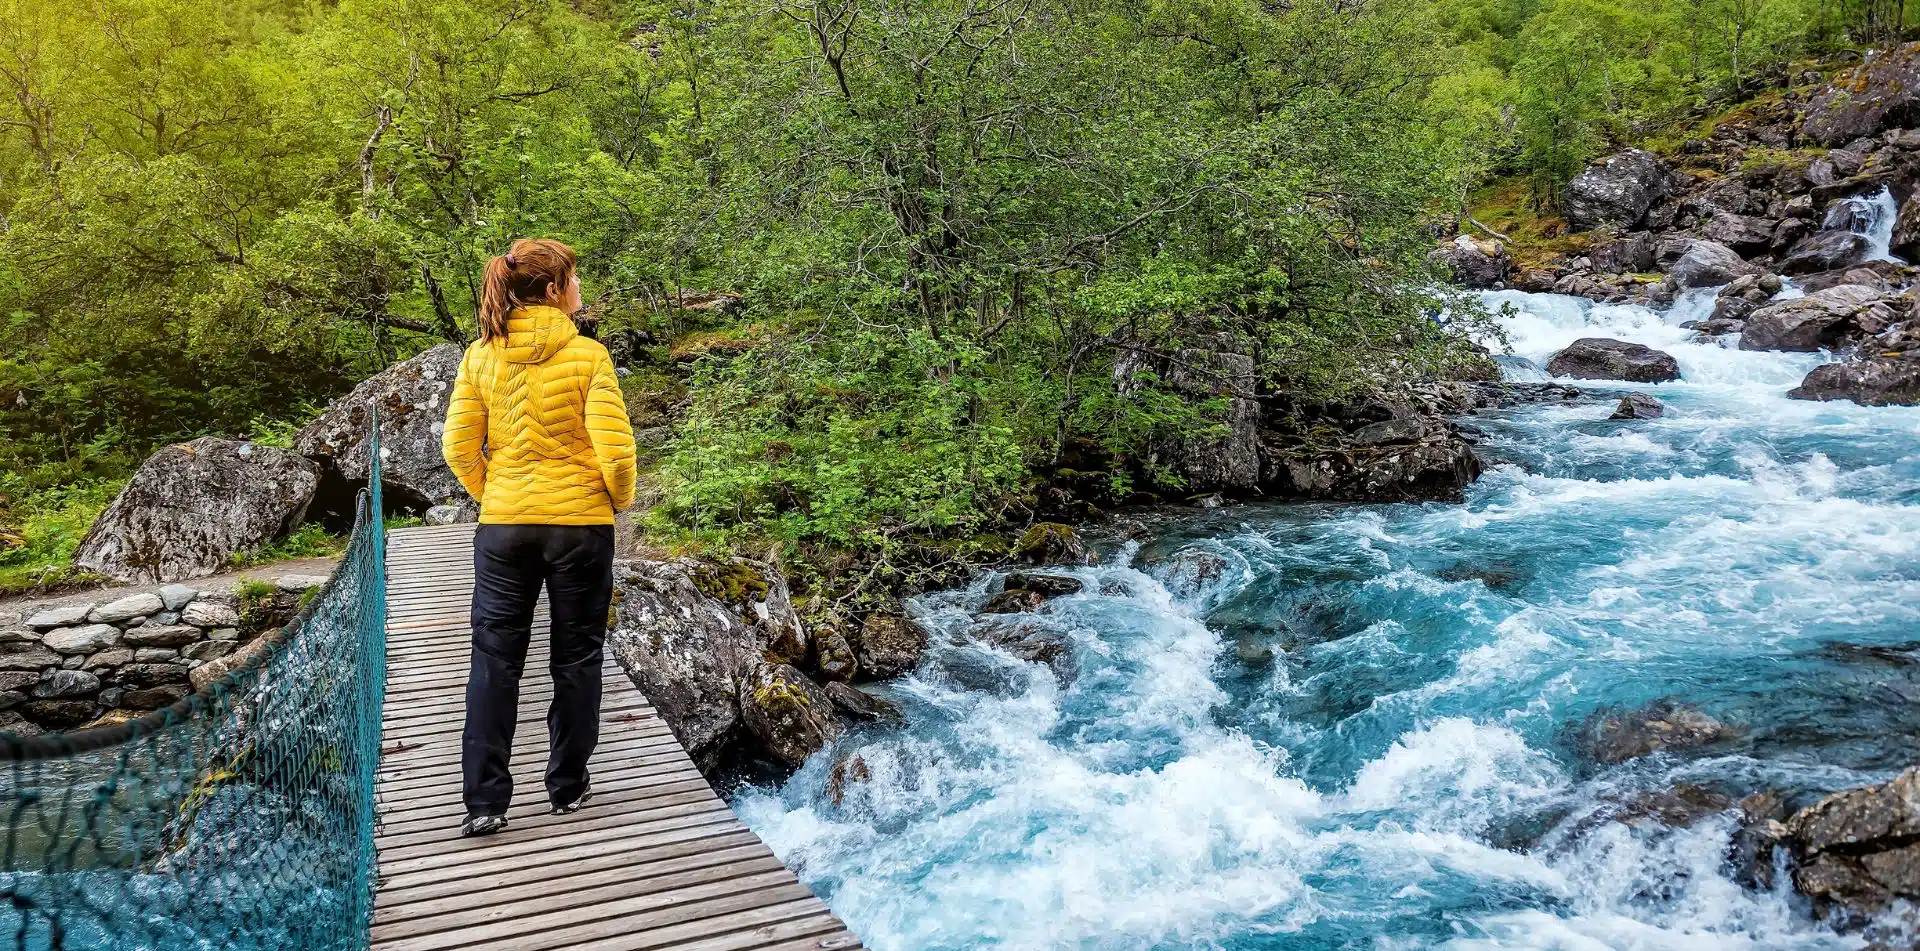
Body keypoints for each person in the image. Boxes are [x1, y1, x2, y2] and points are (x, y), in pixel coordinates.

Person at [441, 237, 637, 836]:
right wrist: (614, 502)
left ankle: (486, 803)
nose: (581, 290)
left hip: (503, 527)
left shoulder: (479, 357)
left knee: (495, 661)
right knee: (576, 657)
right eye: (576, 281)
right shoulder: (587, 356)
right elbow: (619, 455)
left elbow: (456, 449)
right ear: (553, 291)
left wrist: (495, 494)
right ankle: (566, 788)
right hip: (580, 529)